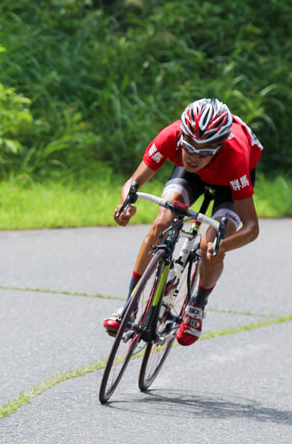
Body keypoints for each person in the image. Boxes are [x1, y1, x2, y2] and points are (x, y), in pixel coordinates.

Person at [103, 98, 262, 346]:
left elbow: (252, 228)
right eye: (189, 146)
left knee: (209, 246)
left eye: (204, 151)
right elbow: (132, 184)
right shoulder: (171, 136)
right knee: (162, 221)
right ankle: (130, 306)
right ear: (182, 136)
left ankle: (197, 305)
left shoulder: (235, 158)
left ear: (219, 147)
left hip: (229, 183)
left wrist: (223, 246)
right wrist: (126, 206)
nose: (194, 156)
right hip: (194, 177)